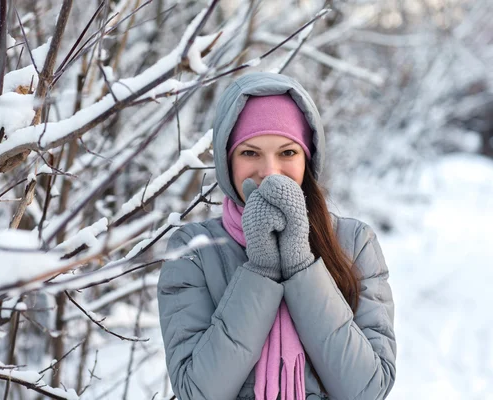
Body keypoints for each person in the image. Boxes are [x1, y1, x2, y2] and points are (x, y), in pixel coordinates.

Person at [157, 72, 396, 400]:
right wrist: (261, 271)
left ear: (308, 158)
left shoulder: (355, 243)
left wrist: (300, 266)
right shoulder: (194, 251)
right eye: (250, 153)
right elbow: (197, 392)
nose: (269, 170)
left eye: (287, 152)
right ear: (227, 162)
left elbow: (369, 389)